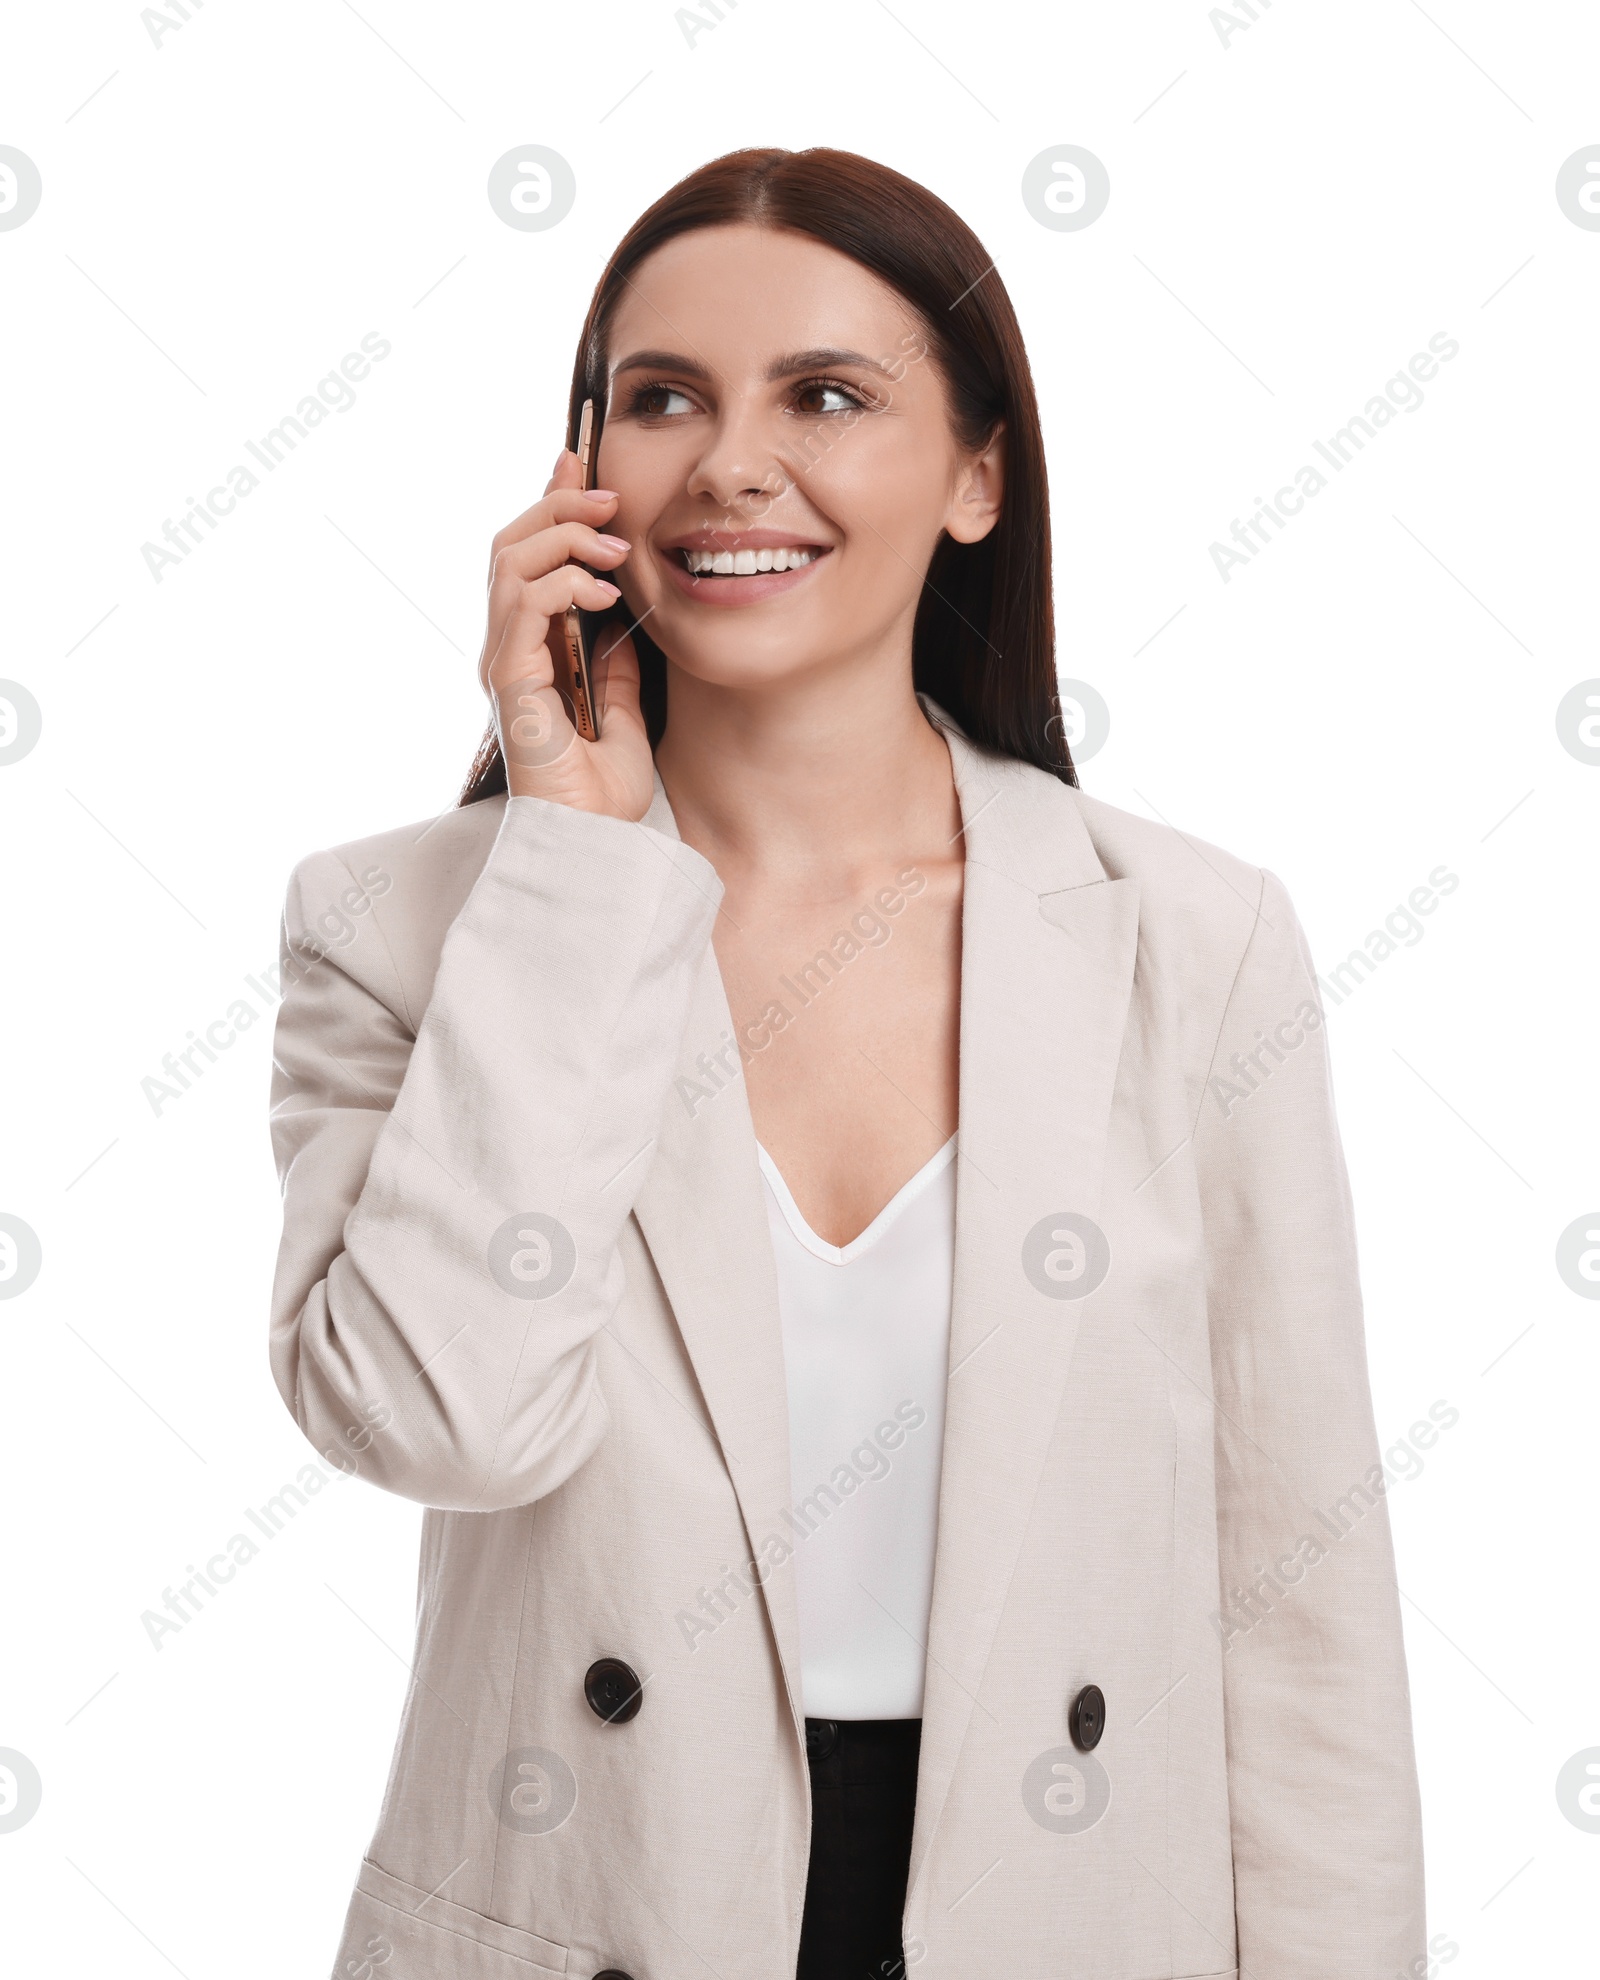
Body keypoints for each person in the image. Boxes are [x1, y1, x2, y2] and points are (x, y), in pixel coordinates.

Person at [268, 146, 1425, 1980]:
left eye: (827, 396)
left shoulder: (1192, 943)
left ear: (977, 476)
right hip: (593, 1914)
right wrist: (576, 861)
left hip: (1069, 1914)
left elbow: (1303, 1608)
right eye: (661, 401)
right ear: (581, 475)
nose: (731, 464)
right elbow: (438, 1421)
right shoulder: (401, 929)